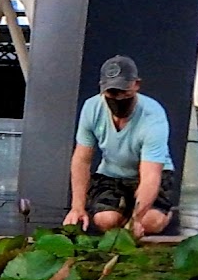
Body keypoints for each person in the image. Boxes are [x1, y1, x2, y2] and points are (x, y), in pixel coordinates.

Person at [65, 54, 173, 238]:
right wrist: (77, 207)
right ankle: (123, 209)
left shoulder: (153, 116)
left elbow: (150, 175)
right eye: (112, 93)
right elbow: (82, 160)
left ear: (136, 85)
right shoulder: (92, 108)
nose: (119, 98)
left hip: (148, 173)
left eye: (125, 91)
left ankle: (162, 212)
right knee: (105, 221)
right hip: (112, 174)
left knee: (149, 224)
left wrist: (136, 219)